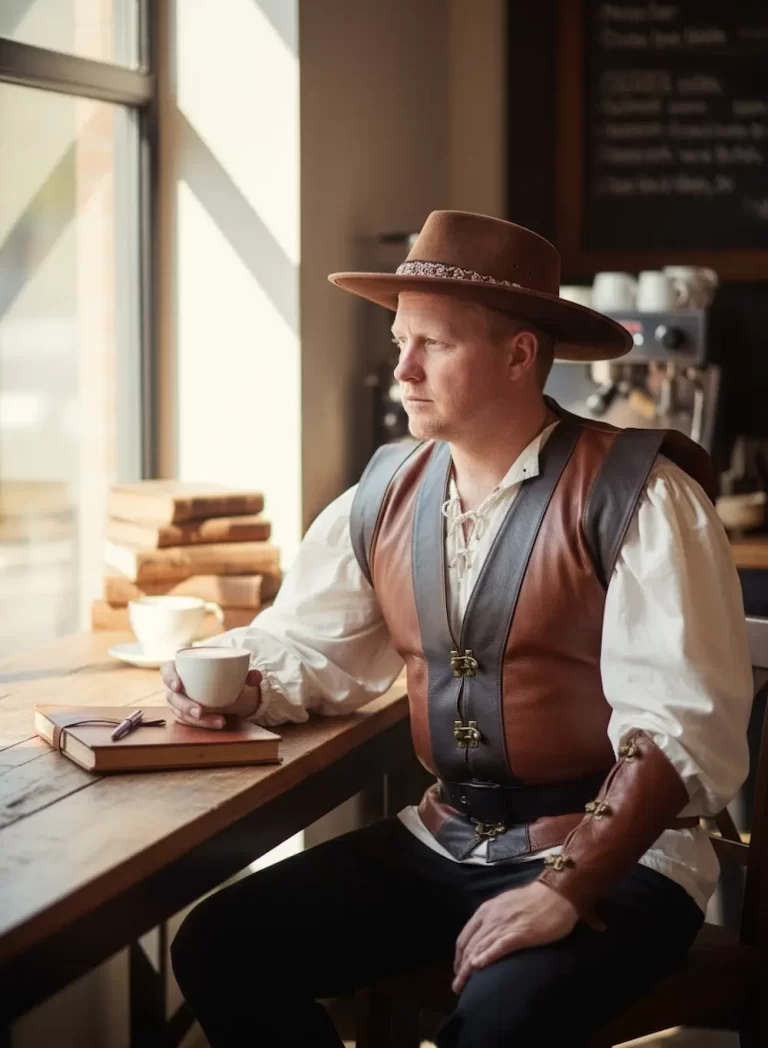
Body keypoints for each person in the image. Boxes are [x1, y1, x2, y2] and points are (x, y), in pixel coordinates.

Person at [167, 211, 752, 1047]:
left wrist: (564, 886)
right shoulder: (384, 492)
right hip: (440, 842)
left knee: (496, 1026)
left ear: (520, 355)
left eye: (432, 345)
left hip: (619, 861)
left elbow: (677, 729)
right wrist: (228, 680)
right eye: (400, 340)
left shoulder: (643, 496)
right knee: (222, 947)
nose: (401, 368)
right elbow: (314, 652)